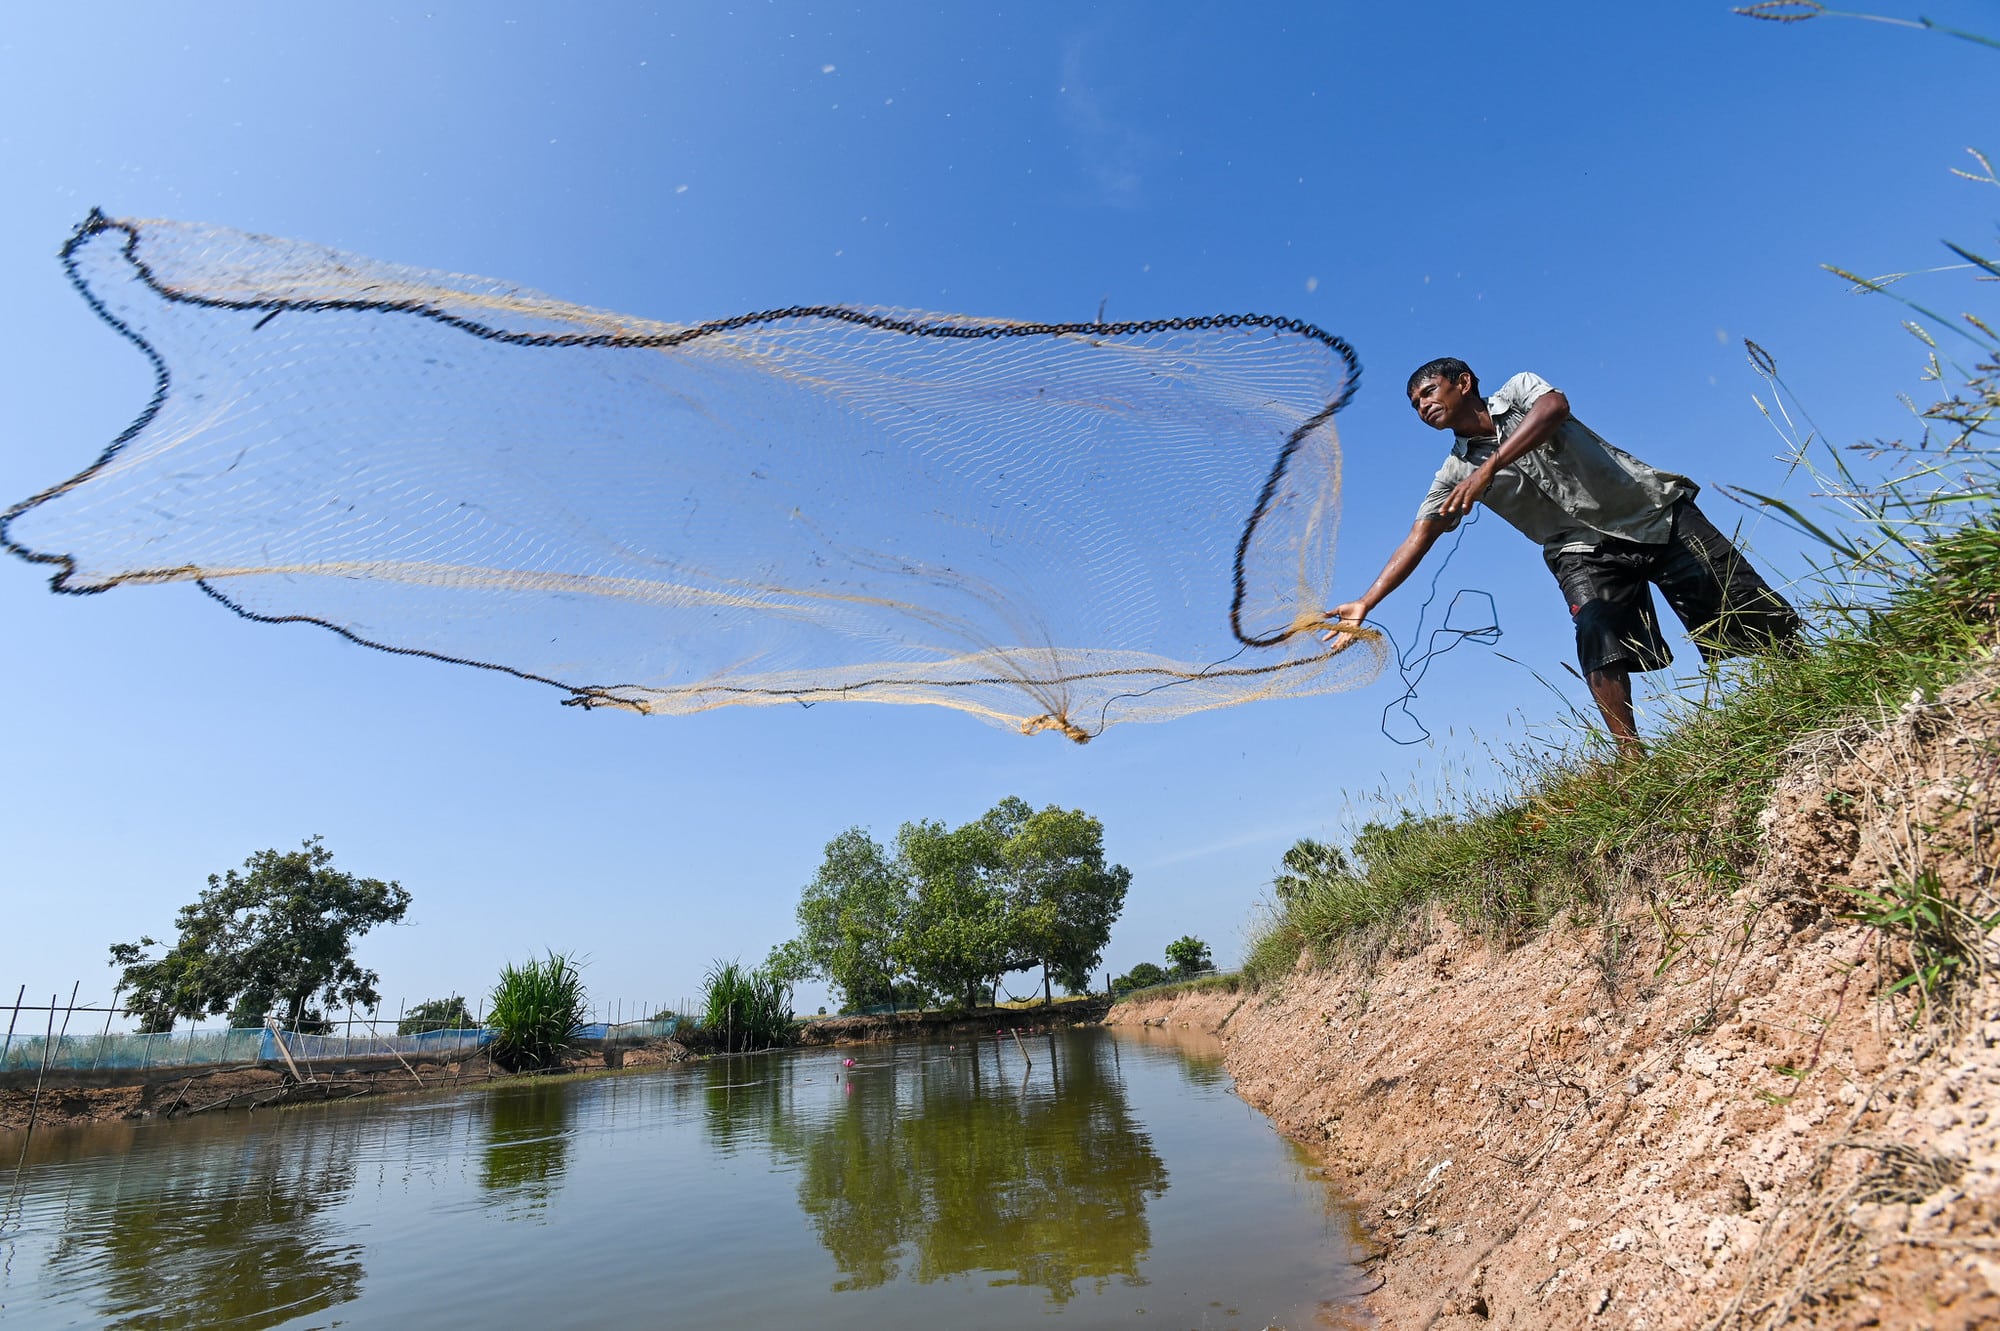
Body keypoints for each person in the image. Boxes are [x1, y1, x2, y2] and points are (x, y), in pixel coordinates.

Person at [1327, 357, 1800, 755]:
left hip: (1652, 512)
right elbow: (1418, 536)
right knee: (1595, 629)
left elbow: (1555, 408)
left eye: (1429, 392)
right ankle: (1631, 757)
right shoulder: (1453, 473)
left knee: (1744, 605)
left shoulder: (1519, 390)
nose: (1423, 406)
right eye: (1414, 405)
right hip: (1581, 550)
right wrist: (1367, 602)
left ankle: (1806, 684)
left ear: (1463, 383)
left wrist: (1489, 467)